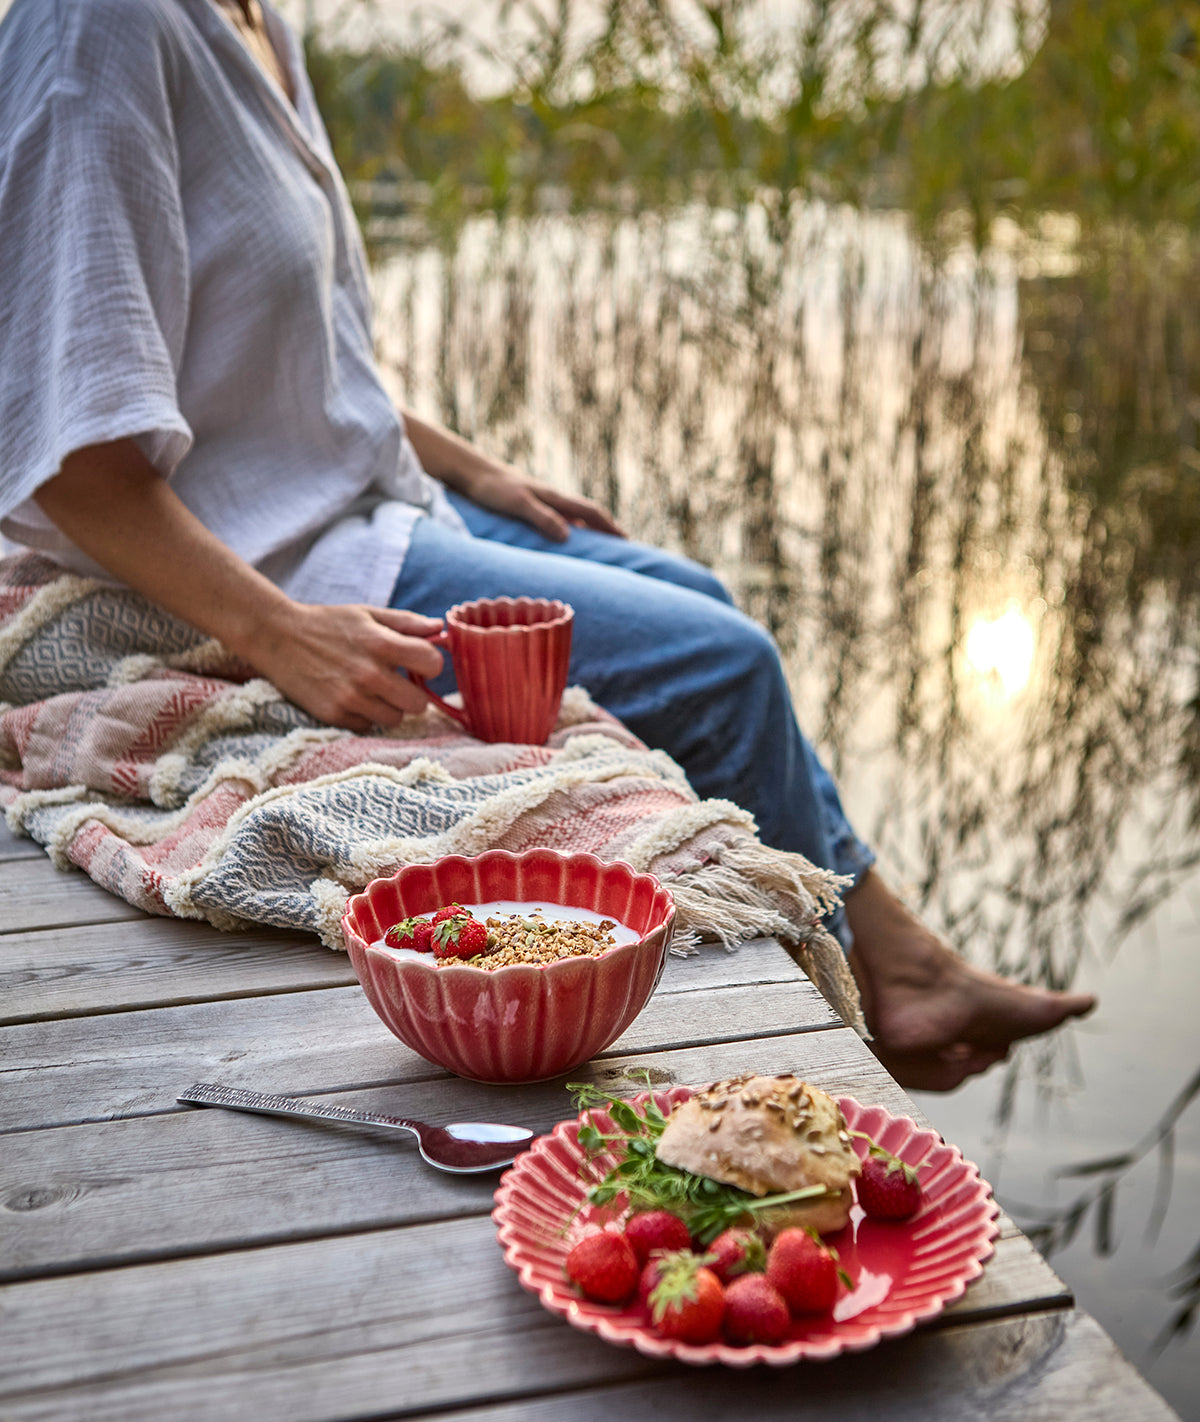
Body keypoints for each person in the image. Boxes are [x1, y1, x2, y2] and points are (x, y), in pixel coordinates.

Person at [0, 0, 1094, 1090]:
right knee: (724, 668)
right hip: (273, 554)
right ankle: (851, 1035)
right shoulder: (96, 25)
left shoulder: (256, 22)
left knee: (698, 592)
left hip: (371, 496)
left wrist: (475, 470)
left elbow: (286, 364)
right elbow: (65, 449)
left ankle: (897, 956)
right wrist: (278, 635)